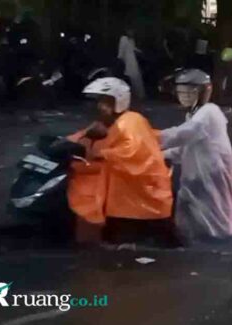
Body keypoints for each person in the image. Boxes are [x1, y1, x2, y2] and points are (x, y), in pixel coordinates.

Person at [67, 77, 173, 243]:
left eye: (106, 101)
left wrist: (104, 153)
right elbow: (82, 137)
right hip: (121, 187)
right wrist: (64, 143)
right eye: (99, 102)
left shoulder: (131, 120)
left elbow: (134, 149)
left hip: (138, 189)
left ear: (119, 101)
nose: (100, 106)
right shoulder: (107, 123)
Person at [160, 69, 232, 240]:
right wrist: (157, 155)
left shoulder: (210, 111)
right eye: (181, 90)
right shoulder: (193, 115)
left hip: (212, 175)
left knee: (217, 221)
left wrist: (148, 138)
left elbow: (184, 134)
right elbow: (183, 148)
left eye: (190, 90)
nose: (184, 95)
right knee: (189, 220)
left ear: (203, 91)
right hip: (197, 177)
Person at [118, 29, 145, 99]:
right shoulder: (123, 39)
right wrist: (121, 60)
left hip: (133, 61)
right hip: (126, 62)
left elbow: (133, 48)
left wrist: (140, 52)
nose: (132, 33)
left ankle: (138, 95)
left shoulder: (131, 40)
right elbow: (121, 51)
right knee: (129, 78)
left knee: (136, 78)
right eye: (130, 31)